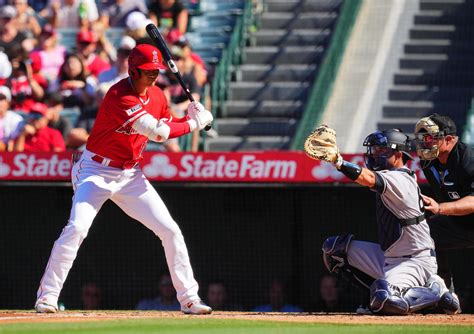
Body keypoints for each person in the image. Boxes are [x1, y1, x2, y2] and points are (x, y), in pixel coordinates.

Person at [34, 43, 213, 315]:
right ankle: (47, 297)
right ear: (133, 71)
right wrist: (193, 124)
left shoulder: (157, 95)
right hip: (95, 171)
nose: (154, 76)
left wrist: (190, 115)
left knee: (170, 230)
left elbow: (168, 121)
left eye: (156, 71)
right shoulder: (119, 95)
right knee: (77, 228)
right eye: (148, 72)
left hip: (130, 174)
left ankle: (189, 299)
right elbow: (157, 133)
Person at [319, 127, 460, 315]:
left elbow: (367, 178)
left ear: (398, 154)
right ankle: (372, 297)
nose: (375, 154)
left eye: (382, 150)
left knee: (385, 299)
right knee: (334, 249)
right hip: (390, 257)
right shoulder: (394, 176)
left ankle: (436, 292)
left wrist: (339, 162)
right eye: (375, 150)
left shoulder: (399, 178)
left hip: (415, 261)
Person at [414, 114, 474, 291]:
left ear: (449, 139)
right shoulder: (427, 160)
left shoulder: (468, 159)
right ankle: (442, 296)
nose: (426, 142)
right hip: (458, 224)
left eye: (431, 137)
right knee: (423, 234)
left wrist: (440, 208)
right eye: (424, 138)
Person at [0, 86, 24, 151]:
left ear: (8, 102)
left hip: (10, 155)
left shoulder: (16, 119)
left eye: (1, 99)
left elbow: (13, 143)